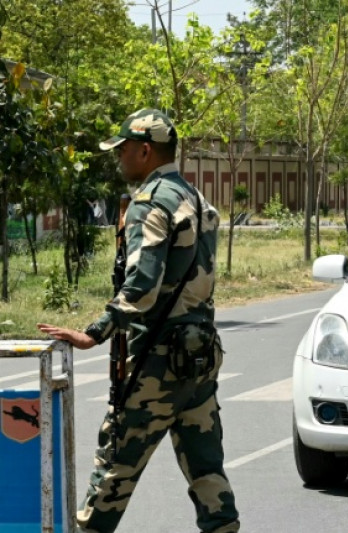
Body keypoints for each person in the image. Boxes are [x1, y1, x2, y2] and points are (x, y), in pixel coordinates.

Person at [36, 108, 240, 532]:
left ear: (145, 151)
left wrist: (93, 333)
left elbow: (142, 288)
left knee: (114, 470)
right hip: (199, 356)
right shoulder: (196, 199)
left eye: (123, 150)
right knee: (207, 470)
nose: (119, 159)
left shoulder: (150, 203)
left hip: (156, 363)